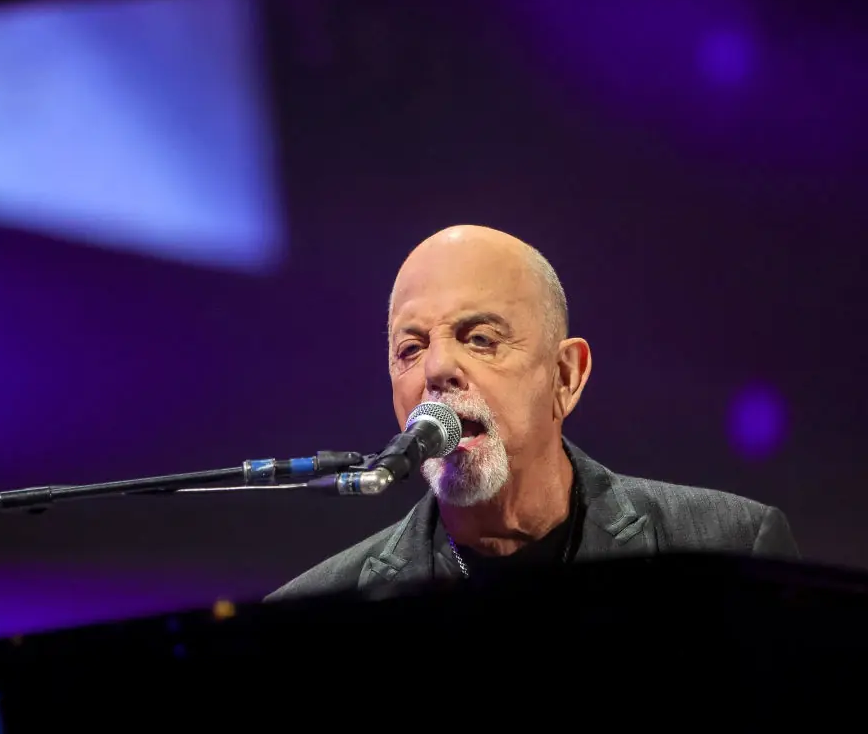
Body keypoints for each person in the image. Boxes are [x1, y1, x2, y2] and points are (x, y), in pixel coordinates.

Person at [266, 225, 799, 601]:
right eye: (411, 348)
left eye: (480, 339)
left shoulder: (730, 548)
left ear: (566, 376)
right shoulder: (314, 609)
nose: (436, 368)